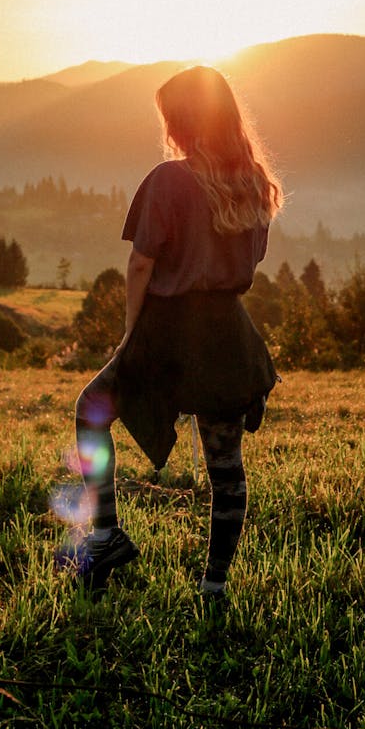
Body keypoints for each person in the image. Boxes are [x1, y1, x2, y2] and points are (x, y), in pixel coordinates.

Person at [60, 65, 283, 598]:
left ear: (183, 121)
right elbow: (250, 260)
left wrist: (130, 334)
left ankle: (107, 533)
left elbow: (141, 265)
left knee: (91, 410)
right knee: (226, 465)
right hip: (230, 337)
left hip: (168, 331)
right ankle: (215, 585)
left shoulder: (169, 180)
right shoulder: (255, 184)